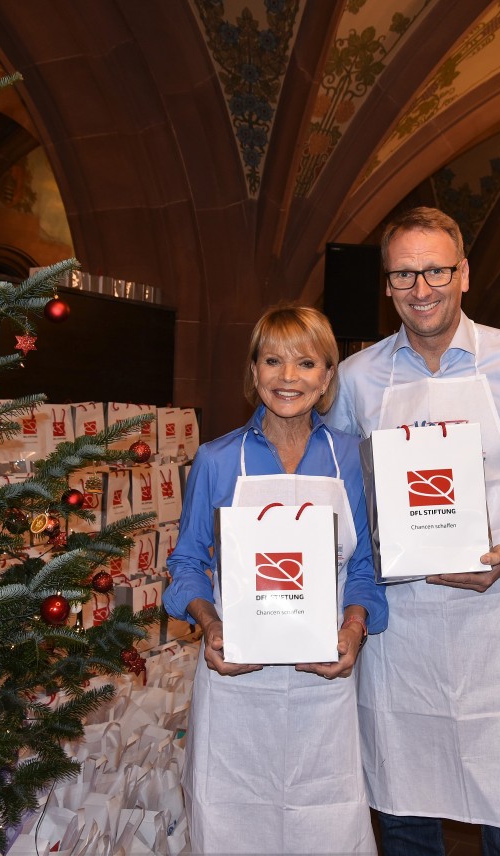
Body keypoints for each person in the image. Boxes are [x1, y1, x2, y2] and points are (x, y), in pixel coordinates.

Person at [325, 207, 500, 856]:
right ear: (386, 284)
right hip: (400, 639)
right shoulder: (357, 380)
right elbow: (340, 498)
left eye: (437, 270)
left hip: (496, 627)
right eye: (405, 274)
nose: (422, 289)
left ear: (464, 273)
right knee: (404, 819)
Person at [163, 304, 388, 855]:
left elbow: (364, 567)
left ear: (328, 376)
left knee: (325, 825)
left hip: (323, 682)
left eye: (307, 363)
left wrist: (353, 630)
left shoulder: (350, 462)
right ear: (253, 371)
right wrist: (212, 627)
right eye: (273, 361)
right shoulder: (217, 460)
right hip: (237, 681)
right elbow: (186, 564)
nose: (289, 378)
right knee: (232, 826)